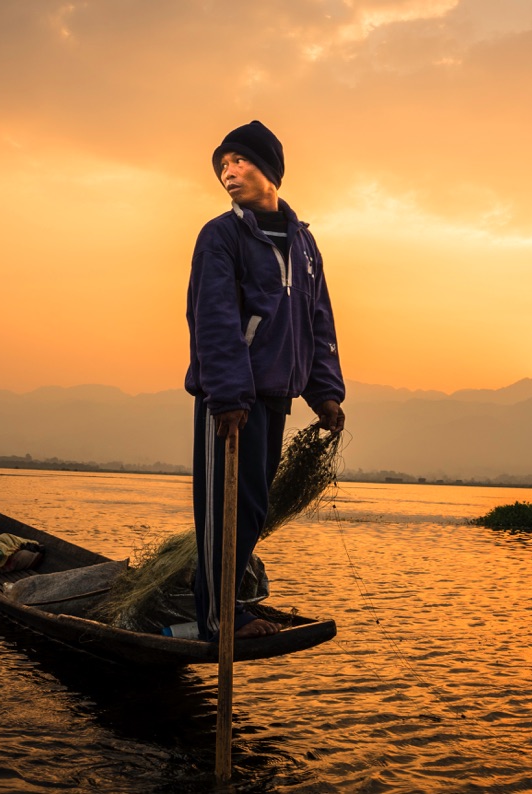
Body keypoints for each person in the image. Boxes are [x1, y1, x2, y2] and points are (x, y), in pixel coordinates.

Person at [185, 120, 346, 641]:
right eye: (222, 166)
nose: (228, 173)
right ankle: (217, 620)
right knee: (223, 508)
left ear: (270, 171)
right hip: (231, 398)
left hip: (277, 393)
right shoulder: (221, 235)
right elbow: (213, 318)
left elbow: (317, 318)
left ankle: (228, 601)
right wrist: (227, 393)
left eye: (239, 161)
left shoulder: (303, 243)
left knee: (252, 507)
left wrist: (325, 391)